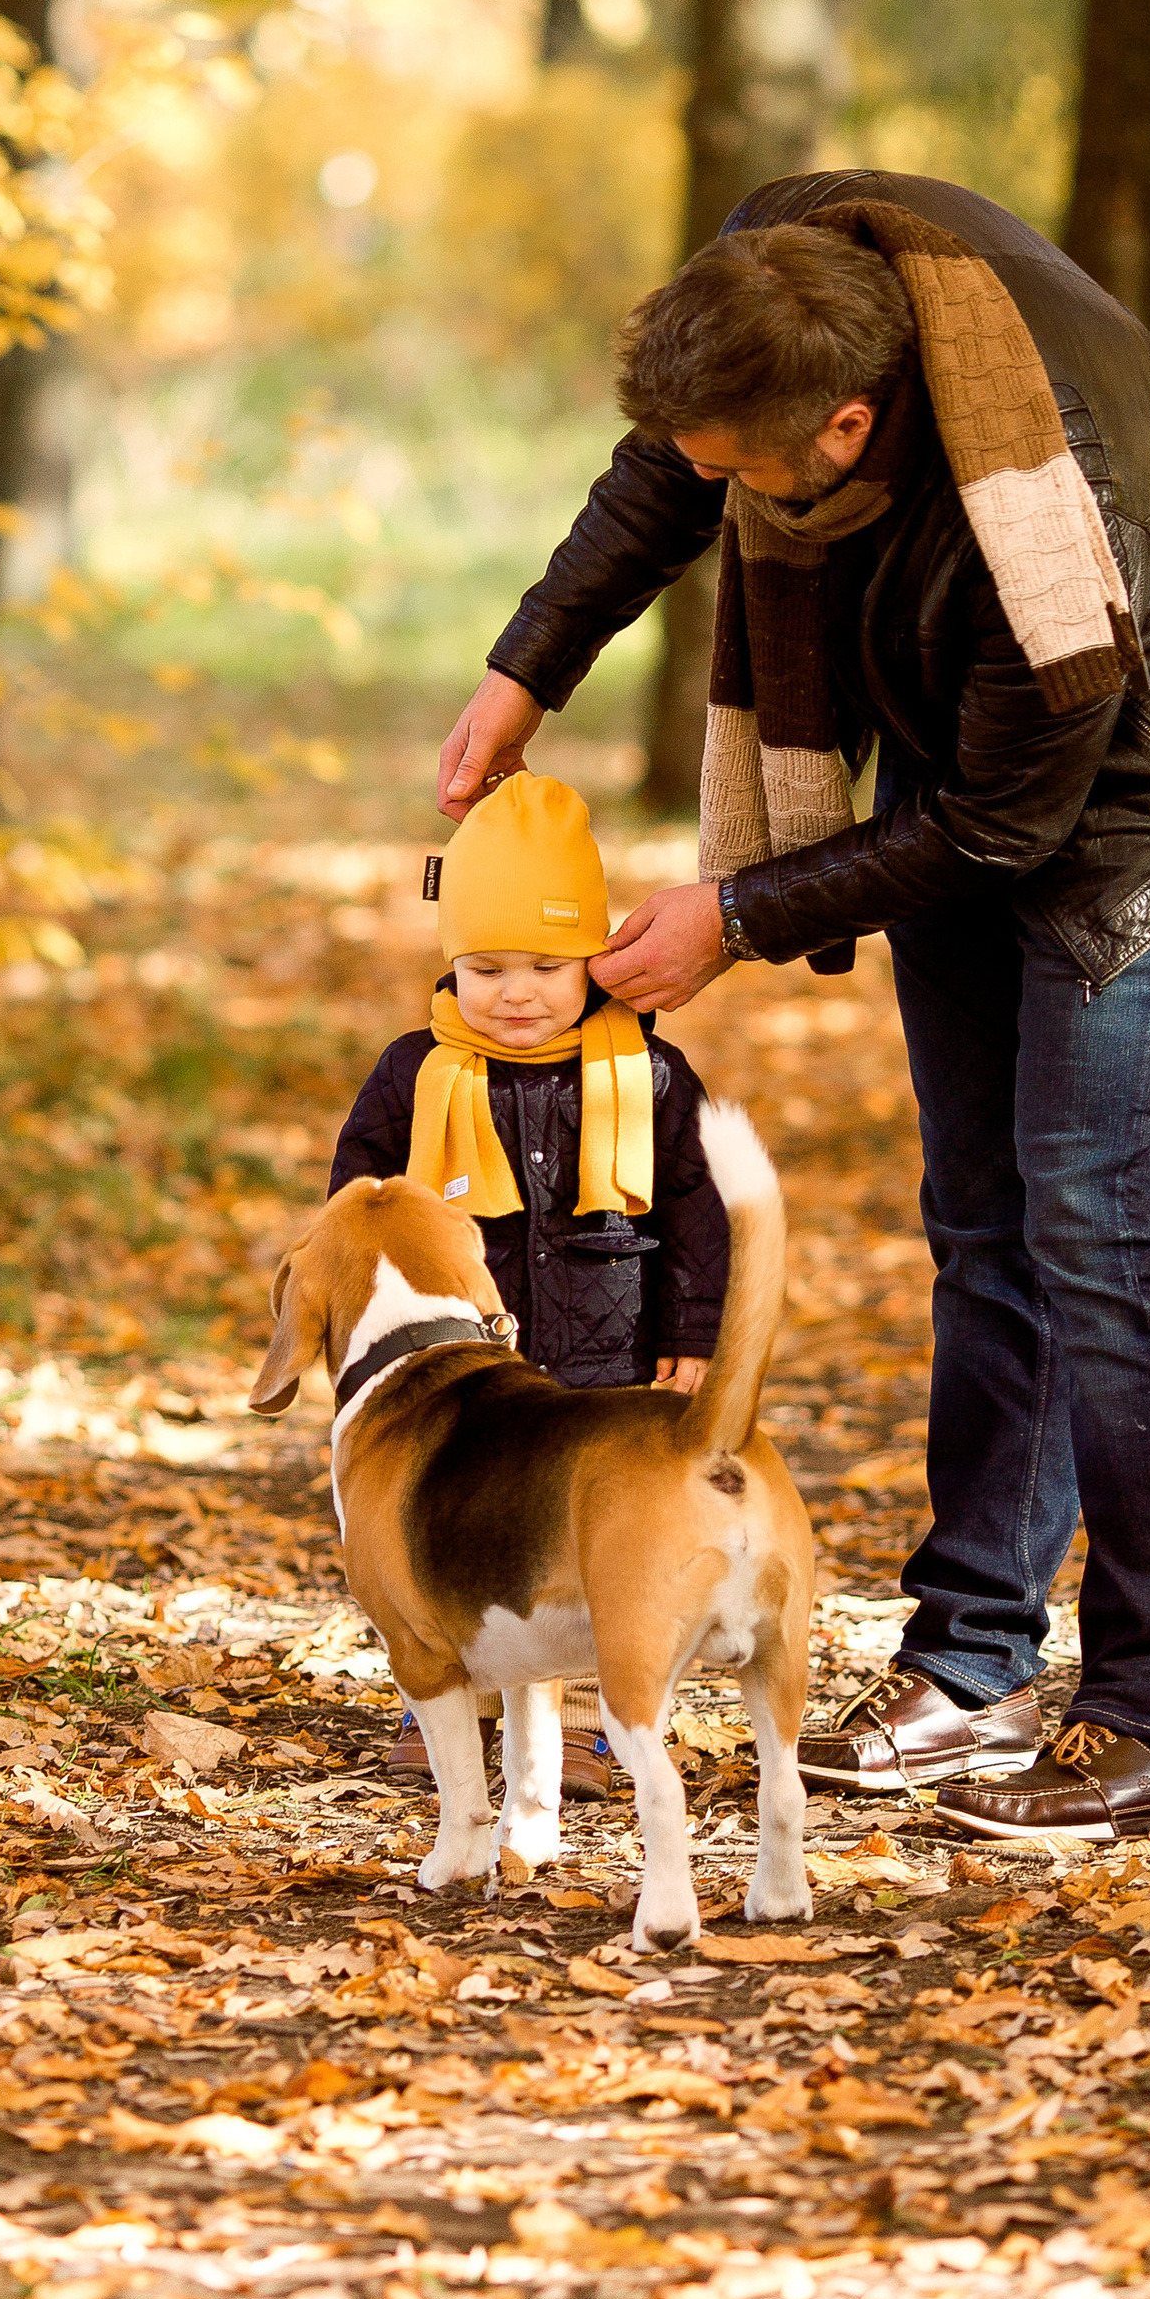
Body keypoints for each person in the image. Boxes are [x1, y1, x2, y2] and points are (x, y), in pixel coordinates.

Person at [434, 177, 1150, 1849]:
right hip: (971, 757)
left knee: (1104, 1227)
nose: (708, 487)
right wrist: (528, 664)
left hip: (1140, 789)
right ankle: (974, 1668)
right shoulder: (789, 275)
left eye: (744, 469)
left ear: (846, 425)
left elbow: (1006, 826)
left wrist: (741, 916)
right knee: (986, 1222)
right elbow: (666, 467)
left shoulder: (1051, 520)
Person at [329, 770, 728, 1799]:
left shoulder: (645, 1071)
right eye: (485, 966)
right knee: (458, 1533)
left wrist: (695, 1334)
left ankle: (601, 1714)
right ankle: (448, 1697)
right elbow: (361, 1211)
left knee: (604, 1548)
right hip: (462, 1380)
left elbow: (693, 1210)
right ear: (450, 964)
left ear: (593, 958)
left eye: (547, 965)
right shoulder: (413, 1075)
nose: (516, 991)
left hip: (609, 1360)